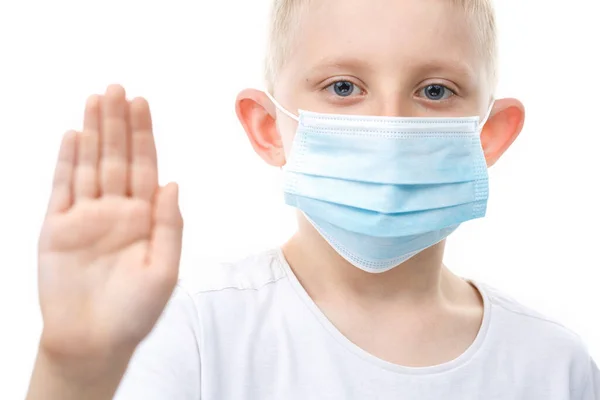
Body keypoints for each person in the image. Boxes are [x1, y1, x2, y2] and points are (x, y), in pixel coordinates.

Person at [26, 0, 599, 399]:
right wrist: (72, 371)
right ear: (269, 127)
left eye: (434, 91)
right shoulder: (192, 328)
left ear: (489, 133)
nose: (389, 125)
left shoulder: (555, 367)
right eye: (343, 87)